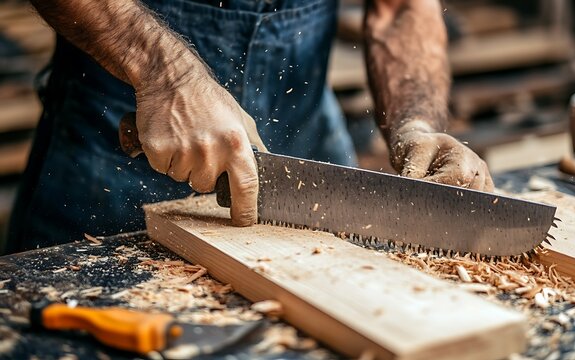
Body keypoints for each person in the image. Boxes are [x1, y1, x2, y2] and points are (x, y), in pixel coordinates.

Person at [6, 0, 493, 254]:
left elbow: (401, 9)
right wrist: (166, 75)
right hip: (126, 126)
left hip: (301, 129)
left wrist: (417, 124)